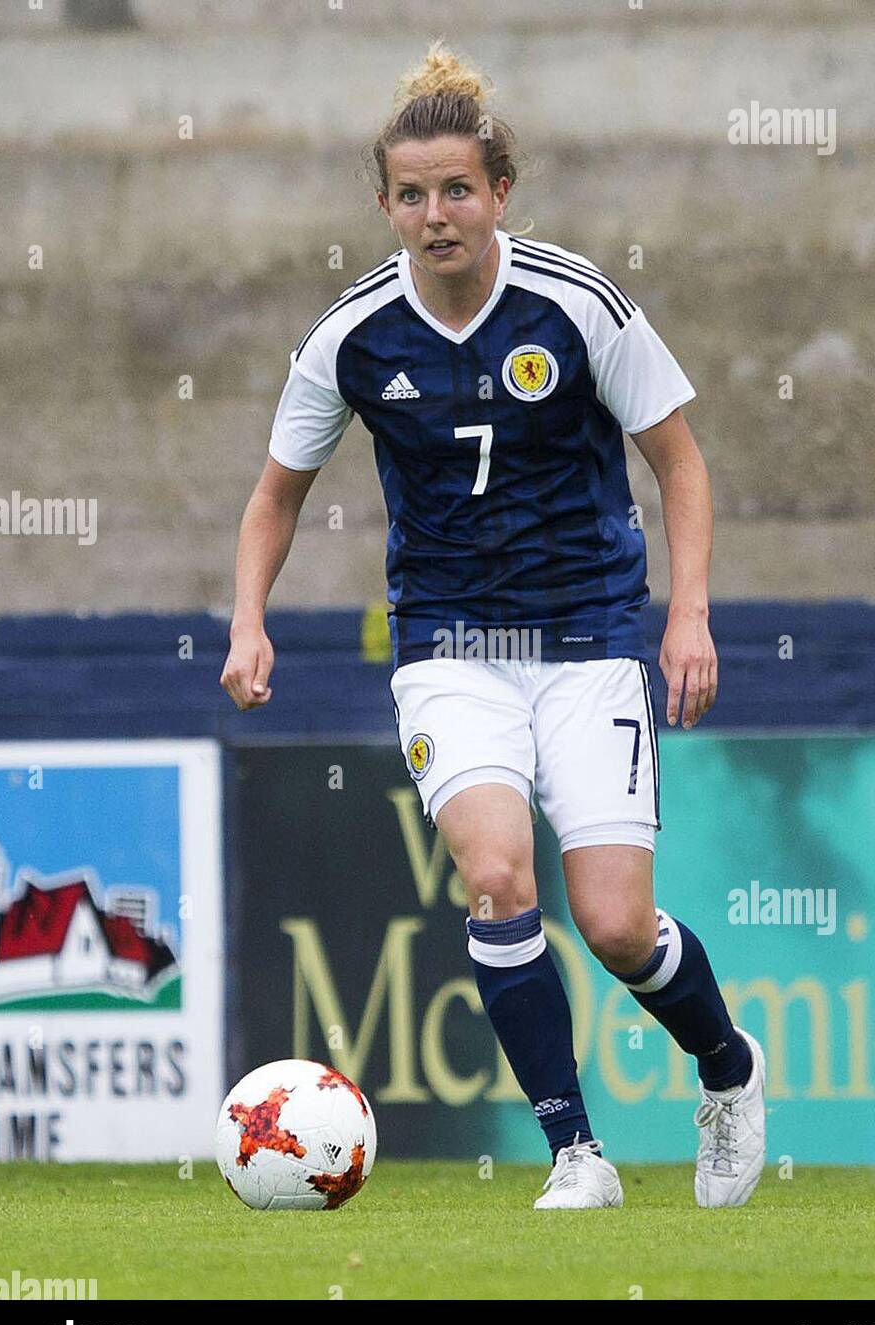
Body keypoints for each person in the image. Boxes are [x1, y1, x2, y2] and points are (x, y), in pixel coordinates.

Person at [220, 39, 766, 1211]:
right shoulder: (351, 336)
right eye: (411, 195)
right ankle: (577, 1153)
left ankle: (727, 1070)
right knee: (496, 877)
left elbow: (678, 461)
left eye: (456, 189)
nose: (435, 215)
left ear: (499, 192)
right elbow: (276, 493)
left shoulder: (578, 303)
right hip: (449, 650)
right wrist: (247, 621)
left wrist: (690, 618)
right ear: (385, 204)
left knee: (617, 926)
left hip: (589, 642)